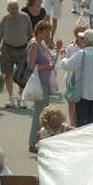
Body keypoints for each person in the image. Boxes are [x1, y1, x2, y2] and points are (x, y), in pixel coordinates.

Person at [59, 28, 93, 126]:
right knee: (92, 122)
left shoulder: (82, 53)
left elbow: (66, 65)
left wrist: (63, 56)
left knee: (82, 123)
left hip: (83, 94)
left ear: (86, 40)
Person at [0, 0, 34, 109]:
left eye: (16, 8)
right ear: (7, 9)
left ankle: (22, 97)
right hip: (7, 49)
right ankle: (10, 97)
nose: (14, 11)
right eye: (11, 9)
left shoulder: (25, 17)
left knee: (22, 75)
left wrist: (32, 49)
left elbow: (30, 35)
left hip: (22, 49)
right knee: (8, 74)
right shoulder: (4, 20)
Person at [26, 21, 57, 153]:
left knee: (43, 113)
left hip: (45, 82)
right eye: (46, 32)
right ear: (40, 30)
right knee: (39, 114)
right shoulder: (34, 45)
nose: (48, 34)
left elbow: (50, 59)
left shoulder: (42, 44)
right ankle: (33, 142)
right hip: (39, 83)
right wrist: (48, 67)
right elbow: (31, 66)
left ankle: (40, 140)